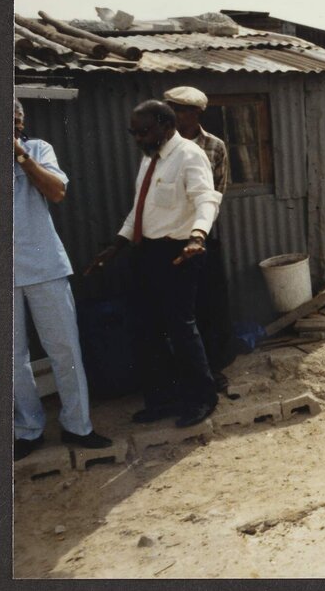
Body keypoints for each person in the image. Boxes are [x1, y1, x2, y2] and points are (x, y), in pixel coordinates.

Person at [85, 100, 222, 428]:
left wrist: (198, 237)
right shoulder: (150, 159)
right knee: (145, 329)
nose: (137, 139)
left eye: (143, 132)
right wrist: (116, 246)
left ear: (165, 125)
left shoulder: (189, 155)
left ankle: (203, 398)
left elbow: (206, 198)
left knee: (181, 329)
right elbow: (140, 209)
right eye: (133, 133)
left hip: (179, 252)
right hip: (145, 254)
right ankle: (163, 399)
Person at [13, 98, 112, 461]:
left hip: (45, 266)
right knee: (11, 358)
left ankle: (77, 425)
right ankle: (27, 430)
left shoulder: (38, 149)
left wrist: (19, 153)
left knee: (65, 348)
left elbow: (57, 192)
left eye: (18, 118)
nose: (16, 124)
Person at [163, 86, 235, 390]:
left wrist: (199, 231)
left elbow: (217, 192)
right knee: (177, 312)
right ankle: (185, 373)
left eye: (181, 111)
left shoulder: (214, 147)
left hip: (200, 237)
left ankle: (212, 371)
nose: (176, 117)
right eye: (171, 110)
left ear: (195, 114)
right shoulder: (162, 145)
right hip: (167, 237)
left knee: (207, 307)